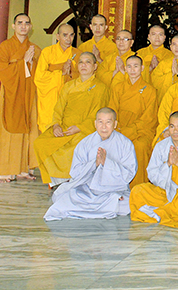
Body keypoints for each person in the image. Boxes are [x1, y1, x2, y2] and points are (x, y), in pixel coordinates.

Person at [43, 108, 137, 221]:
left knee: (126, 203)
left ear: (115, 124)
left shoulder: (125, 144)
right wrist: (94, 164)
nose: (104, 127)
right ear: (95, 124)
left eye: (108, 122)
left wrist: (107, 163)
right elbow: (75, 172)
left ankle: (88, 209)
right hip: (86, 189)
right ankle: (101, 208)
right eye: (100, 122)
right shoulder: (85, 143)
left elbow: (129, 174)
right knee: (64, 196)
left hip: (113, 191)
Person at [34, 52, 110, 185]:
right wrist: (56, 125)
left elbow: (97, 115)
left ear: (95, 66)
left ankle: (74, 179)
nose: (83, 65)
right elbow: (58, 109)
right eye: (80, 62)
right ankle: (58, 180)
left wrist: (79, 128)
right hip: (65, 128)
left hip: (85, 129)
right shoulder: (68, 86)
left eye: (88, 62)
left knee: (76, 147)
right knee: (40, 143)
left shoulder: (100, 88)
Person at [0, 13, 40, 183]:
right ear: (13, 26)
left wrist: (31, 62)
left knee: (28, 128)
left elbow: (42, 71)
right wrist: (23, 63)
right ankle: (6, 170)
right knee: (10, 129)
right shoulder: (5, 47)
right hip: (11, 92)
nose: (23, 26)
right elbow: (2, 70)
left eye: (27, 23)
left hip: (29, 93)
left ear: (31, 27)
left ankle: (23, 169)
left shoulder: (35, 48)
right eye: (20, 23)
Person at [108, 55, 157, 187]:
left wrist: (130, 130)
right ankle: (115, 186)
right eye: (129, 66)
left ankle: (138, 186)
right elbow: (112, 111)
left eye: (136, 66)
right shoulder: (118, 88)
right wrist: (118, 129)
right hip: (120, 128)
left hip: (141, 131)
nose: (132, 70)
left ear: (142, 68)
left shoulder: (150, 90)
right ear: (125, 68)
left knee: (140, 146)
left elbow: (149, 118)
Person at [35, 23, 80, 133]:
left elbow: (82, 79)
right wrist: (61, 73)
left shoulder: (78, 54)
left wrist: (70, 72)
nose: (68, 39)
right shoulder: (47, 52)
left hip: (69, 100)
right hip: (50, 100)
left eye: (71, 35)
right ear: (57, 36)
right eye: (65, 35)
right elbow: (39, 77)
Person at [150, 34, 178, 105]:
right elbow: (154, 81)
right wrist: (171, 75)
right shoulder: (163, 63)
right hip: (164, 100)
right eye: (174, 44)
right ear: (170, 47)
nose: (177, 47)